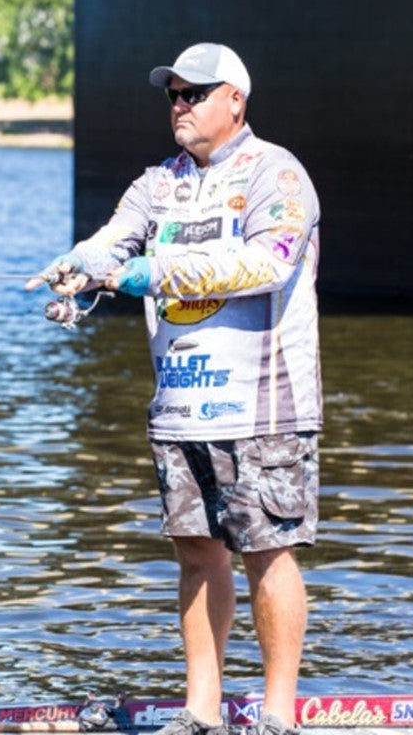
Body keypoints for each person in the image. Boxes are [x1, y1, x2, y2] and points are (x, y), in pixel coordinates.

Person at [27, 42, 322, 735]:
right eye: (173, 96)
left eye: (195, 93)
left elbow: (265, 264)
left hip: (264, 400)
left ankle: (279, 715)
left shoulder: (277, 174)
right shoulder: (157, 184)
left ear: (235, 101)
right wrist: (80, 267)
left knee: (265, 552)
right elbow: (114, 241)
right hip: (181, 405)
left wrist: (150, 274)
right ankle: (201, 712)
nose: (181, 106)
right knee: (195, 552)